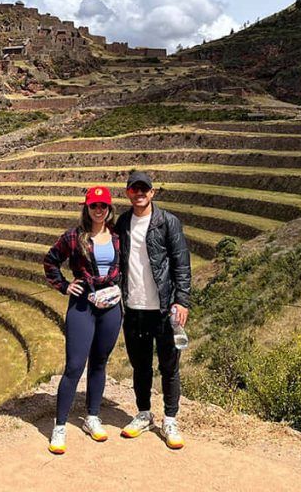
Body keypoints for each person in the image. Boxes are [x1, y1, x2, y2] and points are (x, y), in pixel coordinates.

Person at [42, 185, 123, 454]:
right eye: (93, 206)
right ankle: (60, 426)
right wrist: (64, 286)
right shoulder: (74, 237)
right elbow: (50, 261)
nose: (98, 210)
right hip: (82, 305)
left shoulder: (117, 236)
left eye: (103, 206)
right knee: (75, 366)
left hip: (110, 305)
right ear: (86, 209)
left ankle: (92, 417)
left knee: (99, 362)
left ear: (109, 209)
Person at [115, 170, 191, 450]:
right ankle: (144, 414)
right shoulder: (123, 223)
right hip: (134, 308)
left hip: (164, 308)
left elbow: (181, 263)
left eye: (144, 189)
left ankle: (170, 420)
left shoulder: (168, 222)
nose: (139, 193)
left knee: (169, 366)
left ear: (152, 192)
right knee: (141, 366)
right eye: (134, 189)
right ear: (128, 193)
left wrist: (182, 300)